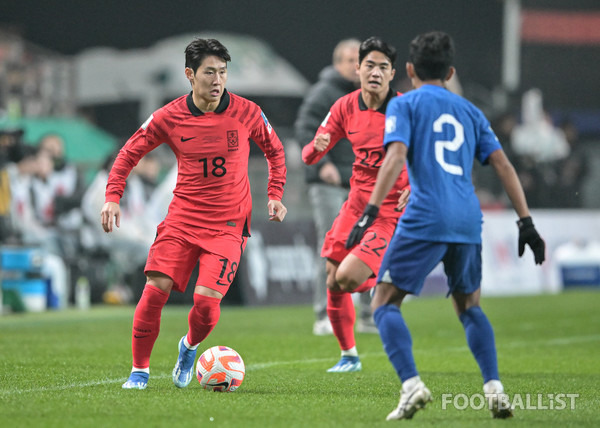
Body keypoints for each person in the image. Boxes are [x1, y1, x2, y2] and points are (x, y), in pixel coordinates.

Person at [347, 31, 545, 420]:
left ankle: (411, 385)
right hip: (468, 218)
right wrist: (526, 223)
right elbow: (503, 165)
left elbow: (396, 156)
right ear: (450, 71)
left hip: (426, 214)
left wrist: (370, 211)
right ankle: (494, 387)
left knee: (384, 302)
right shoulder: (471, 111)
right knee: (470, 306)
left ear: (408, 71)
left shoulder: (404, 106)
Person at [100, 38, 287, 390]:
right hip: (182, 220)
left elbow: (275, 153)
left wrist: (274, 195)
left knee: (205, 304)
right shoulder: (168, 116)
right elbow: (127, 154)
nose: (217, 80)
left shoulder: (247, 112)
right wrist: (113, 197)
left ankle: (189, 346)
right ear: (190, 75)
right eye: (209, 73)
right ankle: (139, 371)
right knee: (155, 291)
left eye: (223, 72)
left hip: (229, 226)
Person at [302, 37, 410, 373]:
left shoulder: (406, 108)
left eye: (383, 67)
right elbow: (308, 156)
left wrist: (417, 187)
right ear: (357, 69)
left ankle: (386, 271)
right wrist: (316, 148)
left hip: (389, 210)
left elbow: (429, 155)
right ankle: (349, 356)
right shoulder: (344, 106)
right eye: (369, 65)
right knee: (333, 280)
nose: (375, 72)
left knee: (348, 277)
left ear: (392, 74)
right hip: (355, 205)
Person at [295, 38, 377, 336]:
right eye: (351, 60)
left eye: (361, 61)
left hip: (360, 183)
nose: (357, 67)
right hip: (329, 182)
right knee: (332, 247)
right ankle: (324, 315)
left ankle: (367, 315)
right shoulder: (324, 92)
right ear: (337, 63)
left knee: (368, 247)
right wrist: (321, 164)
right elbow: (305, 130)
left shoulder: (368, 94)